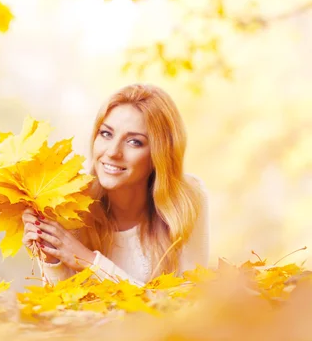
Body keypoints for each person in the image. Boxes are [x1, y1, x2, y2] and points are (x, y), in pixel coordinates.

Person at [22, 83, 209, 286]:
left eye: (134, 142)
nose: (112, 152)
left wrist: (90, 262)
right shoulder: (72, 206)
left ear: (160, 154)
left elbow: (187, 304)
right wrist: (52, 259)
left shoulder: (186, 199)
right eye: (106, 134)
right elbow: (64, 309)